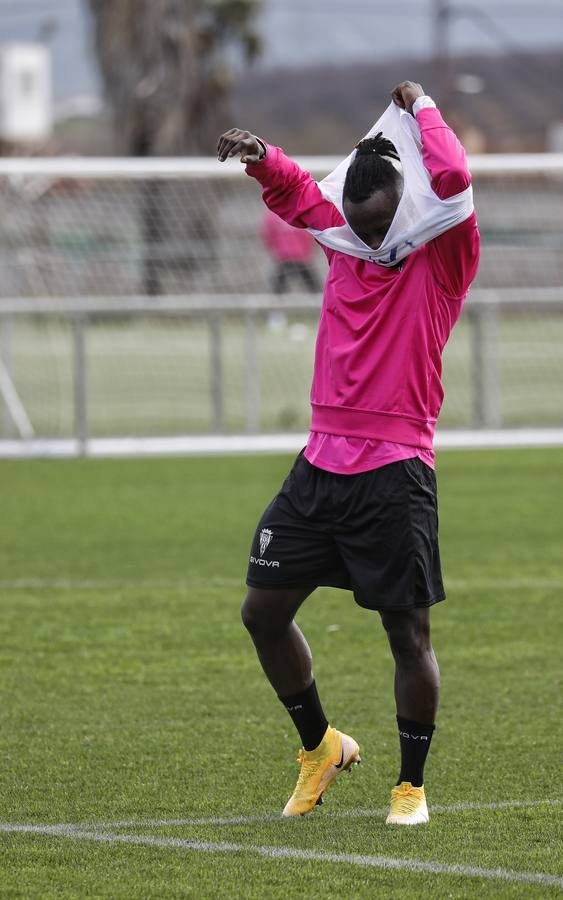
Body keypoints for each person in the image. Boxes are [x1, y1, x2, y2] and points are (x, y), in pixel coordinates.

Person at [217, 81, 480, 825]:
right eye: (355, 223)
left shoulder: (442, 259)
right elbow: (297, 193)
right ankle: (320, 747)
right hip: (320, 466)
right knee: (261, 613)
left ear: (405, 206)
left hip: (395, 471)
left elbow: (454, 179)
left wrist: (423, 108)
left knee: (406, 635)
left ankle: (410, 787)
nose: (365, 237)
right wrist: (262, 155)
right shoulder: (339, 242)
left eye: (377, 223)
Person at [261, 208, 321, 294]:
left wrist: (273, 249)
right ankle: (317, 296)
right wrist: (308, 250)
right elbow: (308, 235)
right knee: (311, 282)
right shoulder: (299, 213)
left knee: (279, 284)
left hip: (284, 256)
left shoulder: (273, 215)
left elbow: (267, 234)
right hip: (299, 255)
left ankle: (276, 300)